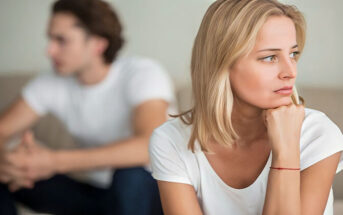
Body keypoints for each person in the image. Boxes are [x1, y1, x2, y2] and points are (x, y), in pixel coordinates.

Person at [149, 0, 343, 214]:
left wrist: (286, 151)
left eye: (293, 54)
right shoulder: (171, 140)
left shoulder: (318, 134)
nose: (290, 72)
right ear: (221, 63)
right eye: (270, 57)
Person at [0, 0, 175, 214]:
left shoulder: (142, 73)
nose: (49, 50)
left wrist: (53, 161)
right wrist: (11, 163)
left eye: (61, 40)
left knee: (130, 174)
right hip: (94, 194)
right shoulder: (50, 82)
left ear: (97, 44)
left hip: (147, 192)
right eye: (50, 39)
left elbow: (150, 144)